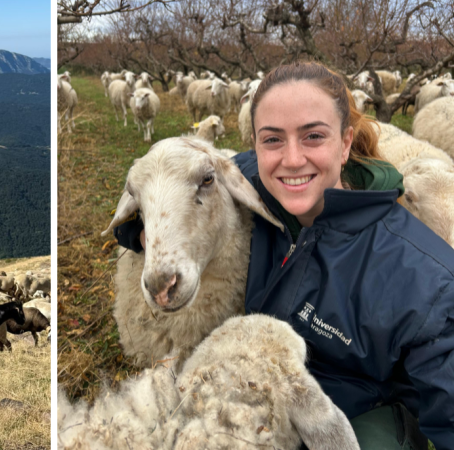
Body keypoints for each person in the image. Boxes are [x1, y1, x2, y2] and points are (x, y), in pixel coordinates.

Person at [115, 62, 454, 449]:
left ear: (345, 143)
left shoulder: (423, 275)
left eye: (312, 136)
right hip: (255, 393)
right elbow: (169, 175)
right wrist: (140, 232)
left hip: (356, 415)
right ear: (254, 145)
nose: (292, 160)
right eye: (273, 140)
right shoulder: (248, 184)